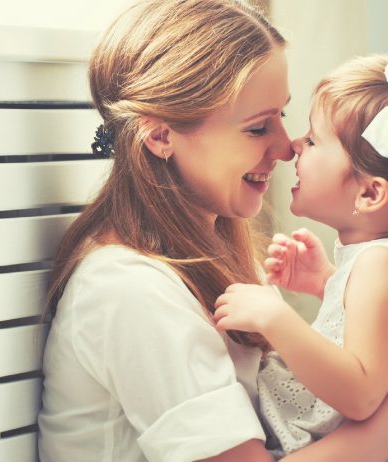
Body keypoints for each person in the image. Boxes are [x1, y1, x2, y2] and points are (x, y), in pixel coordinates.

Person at [38, 0, 388, 460]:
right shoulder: (131, 290)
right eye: (258, 127)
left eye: (282, 116)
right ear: (161, 137)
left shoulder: (219, 260)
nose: (286, 148)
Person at [214, 54, 388, 459]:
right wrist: (326, 282)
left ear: (369, 194)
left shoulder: (377, 265)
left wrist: (274, 319)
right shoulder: (370, 262)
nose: (294, 146)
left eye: (312, 140)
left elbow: (361, 394)